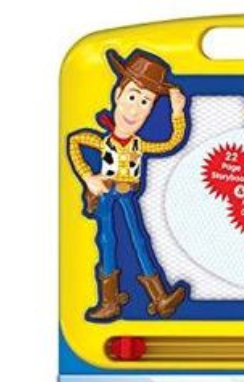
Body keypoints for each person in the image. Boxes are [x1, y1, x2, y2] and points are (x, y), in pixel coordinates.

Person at [67, 49, 188, 321]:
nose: (135, 109)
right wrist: (88, 177)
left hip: (128, 193)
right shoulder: (102, 141)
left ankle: (159, 297)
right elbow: (75, 142)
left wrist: (177, 112)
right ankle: (109, 301)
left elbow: (171, 142)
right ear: (118, 95)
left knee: (139, 239)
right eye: (132, 97)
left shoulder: (139, 145)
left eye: (145, 102)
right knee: (107, 240)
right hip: (106, 194)